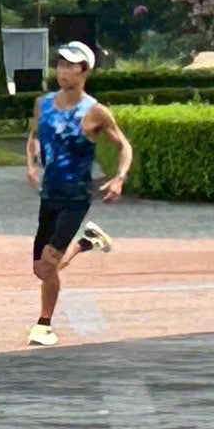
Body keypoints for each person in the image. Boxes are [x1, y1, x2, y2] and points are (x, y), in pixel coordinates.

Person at [24, 41, 133, 347]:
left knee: (49, 262)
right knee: (41, 269)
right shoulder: (42, 104)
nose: (63, 72)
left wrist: (119, 178)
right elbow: (34, 134)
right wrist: (30, 163)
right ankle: (87, 243)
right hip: (49, 194)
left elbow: (124, 146)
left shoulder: (95, 111)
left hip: (76, 196)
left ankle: (43, 325)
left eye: (71, 66)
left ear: (84, 71)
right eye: (60, 65)